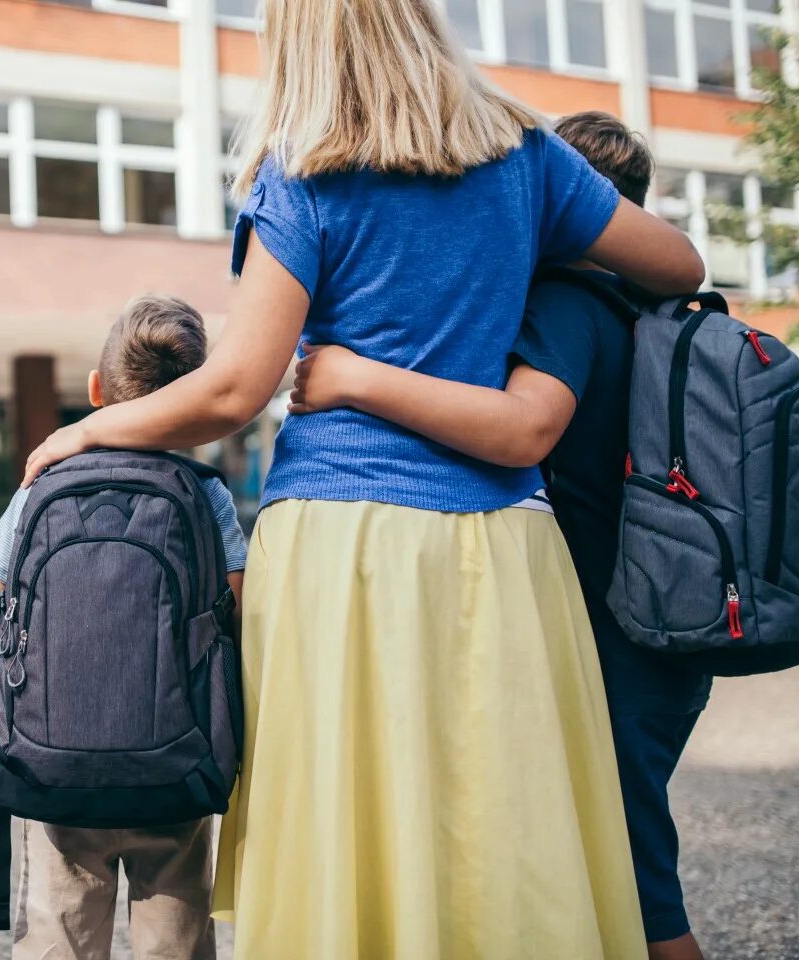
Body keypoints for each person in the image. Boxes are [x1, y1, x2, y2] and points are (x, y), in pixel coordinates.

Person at [19, 1, 706, 956]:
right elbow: (679, 264)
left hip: (345, 548)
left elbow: (235, 389)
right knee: (494, 829)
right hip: (507, 544)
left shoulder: (302, 174)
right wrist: (511, 241)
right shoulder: (527, 155)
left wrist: (90, 429)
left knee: (350, 829)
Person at [288, 110, 712, 960]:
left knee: (639, 892)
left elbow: (524, 430)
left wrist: (353, 376)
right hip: (670, 619)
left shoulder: (569, 303)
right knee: (617, 871)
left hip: (617, 638)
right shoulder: (646, 311)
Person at [0, 294, 248, 960]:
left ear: (97, 390)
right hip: (175, 765)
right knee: (174, 945)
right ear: (193, 402)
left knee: (60, 939)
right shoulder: (206, 493)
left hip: (53, 766)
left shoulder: (43, 482)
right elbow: (235, 616)